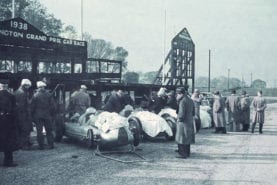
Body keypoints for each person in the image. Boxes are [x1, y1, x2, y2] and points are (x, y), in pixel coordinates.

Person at [30, 81, 56, 150]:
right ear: (44, 87)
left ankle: (41, 146)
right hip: (47, 115)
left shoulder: (35, 96)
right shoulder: (49, 95)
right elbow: (53, 106)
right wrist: (51, 114)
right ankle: (51, 145)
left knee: (39, 131)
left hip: (38, 116)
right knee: (49, 131)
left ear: (38, 87)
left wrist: (32, 116)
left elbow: (32, 107)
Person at [0, 83, 19, 167]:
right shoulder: (11, 96)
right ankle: (8, 161)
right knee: (8, 141)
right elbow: (15, 110)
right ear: (6, 87)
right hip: (8, 121)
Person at [175, 87, 195, 159]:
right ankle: (187, 152)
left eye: (177, 94)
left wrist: (179, 119)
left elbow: (181, 113)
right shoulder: (190, 100)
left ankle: (182, 154)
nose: (177, 95)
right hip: (189, 121)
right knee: (187, 137)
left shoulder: (182, 101)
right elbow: (193, 112)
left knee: (181, 138)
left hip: (183, 122)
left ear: (181, 94)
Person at [14, 79, 33, 150]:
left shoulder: (16, 91)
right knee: (25, 130)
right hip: (23, 115)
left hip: (18, 114)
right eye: (28, 86)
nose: (29, 87)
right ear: (25, 85)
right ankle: (24, 145)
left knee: (20, 130)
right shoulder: (22, 93)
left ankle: (23, 143)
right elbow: (22, 106)